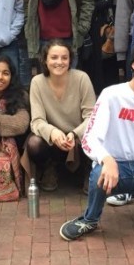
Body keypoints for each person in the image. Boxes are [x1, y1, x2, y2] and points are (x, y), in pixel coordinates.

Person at [59, 38, 134, 241]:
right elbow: (90, 138)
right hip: (116, 170)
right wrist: (107, 159)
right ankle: (90, 220)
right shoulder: (112, 95)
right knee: (99, 172)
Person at [25, 40, 96, 191]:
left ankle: (89, 171)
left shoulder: (82, 78)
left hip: (78, 137)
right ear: (45, 60)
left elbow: (92, 116)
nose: (59, 62)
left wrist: (75, 133)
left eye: (64, 58)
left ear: (70, 60)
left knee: (95, 136)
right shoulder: (37, 82)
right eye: (54, 57)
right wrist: (52, 132)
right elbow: (37, 120)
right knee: (34, 144)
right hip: (53, 139)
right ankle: (49, 168)